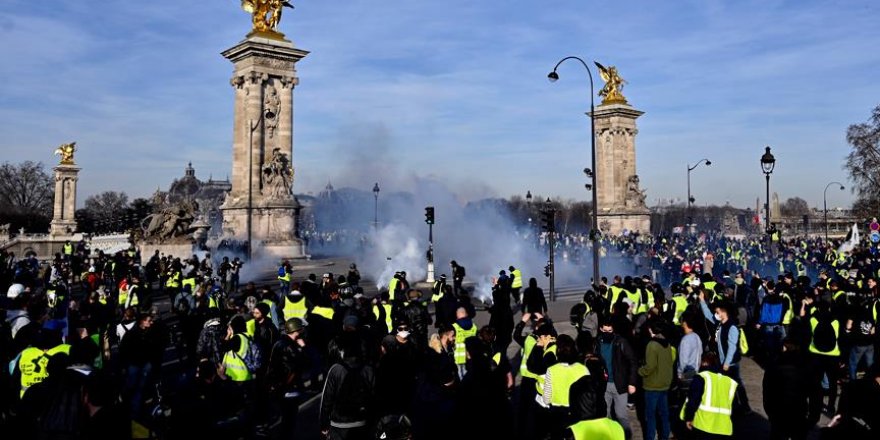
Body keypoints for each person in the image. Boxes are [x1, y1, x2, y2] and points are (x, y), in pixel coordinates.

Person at [699, 296, 749, 411]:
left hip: (730, 363)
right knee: (731, 385)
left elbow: (732, 347)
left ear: (724, 312)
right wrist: (702, 300)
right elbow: (708, 315)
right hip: (723, 362)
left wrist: (726, 362)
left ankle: (743, 406)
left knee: (736, 384)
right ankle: (735, 406)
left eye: (717, 312)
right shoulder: (721, 323)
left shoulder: (732, 327)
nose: (715, 314)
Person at [320, 338, 376, 440]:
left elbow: (327, 399)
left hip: (338, 425)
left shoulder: (335, 369)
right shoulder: (368, 369)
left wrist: (324, 424)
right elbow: (374, 398)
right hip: (361, 422)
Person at [266, 318, 310, 438]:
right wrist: (304, 347)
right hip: (289, 389)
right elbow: (303, 364)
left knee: (285, 418)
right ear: (296, 331)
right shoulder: (292, 347)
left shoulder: (279, 343)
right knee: (289, 419)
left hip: (279, 387)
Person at [595, 318, 638, 440]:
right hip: (604, 385)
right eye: (605, 330)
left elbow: (633, 361)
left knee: (621, 415)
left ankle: (626, 437)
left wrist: (632, 382)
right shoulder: (597, 343)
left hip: (619, 384)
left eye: (610, 331)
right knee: (605, 415)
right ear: (601, 329)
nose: (608, 333)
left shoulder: (621, 342)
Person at [681, 353, 739, 439]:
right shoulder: (729, 382)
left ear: (704, 363)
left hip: (703, 426)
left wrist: (689, 418)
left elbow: (693, 401)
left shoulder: (702, 377)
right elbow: (735, 406)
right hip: (724, 429)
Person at [763, 339, 812, 440]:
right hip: (799, 410)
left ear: (784, 348)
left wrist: (769, 411)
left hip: (778, 411)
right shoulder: (806, 366)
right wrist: (813, 416)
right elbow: (815, 392)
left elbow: (767, 391)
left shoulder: (774, 366)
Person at [542, 334, 590, 438]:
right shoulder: (583, 369)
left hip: (557, 413)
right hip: (578, 412)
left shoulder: (552, 370)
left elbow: (546, 398)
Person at [639, 320, 674, 440]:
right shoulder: (667, 343)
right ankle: (665, 436)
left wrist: (640, 371)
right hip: (664, 384)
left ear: (651, 330)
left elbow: (650, 367)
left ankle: (650, 437)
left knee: (650, 416)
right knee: (664, 414)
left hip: (652, 385)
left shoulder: (652, 345)